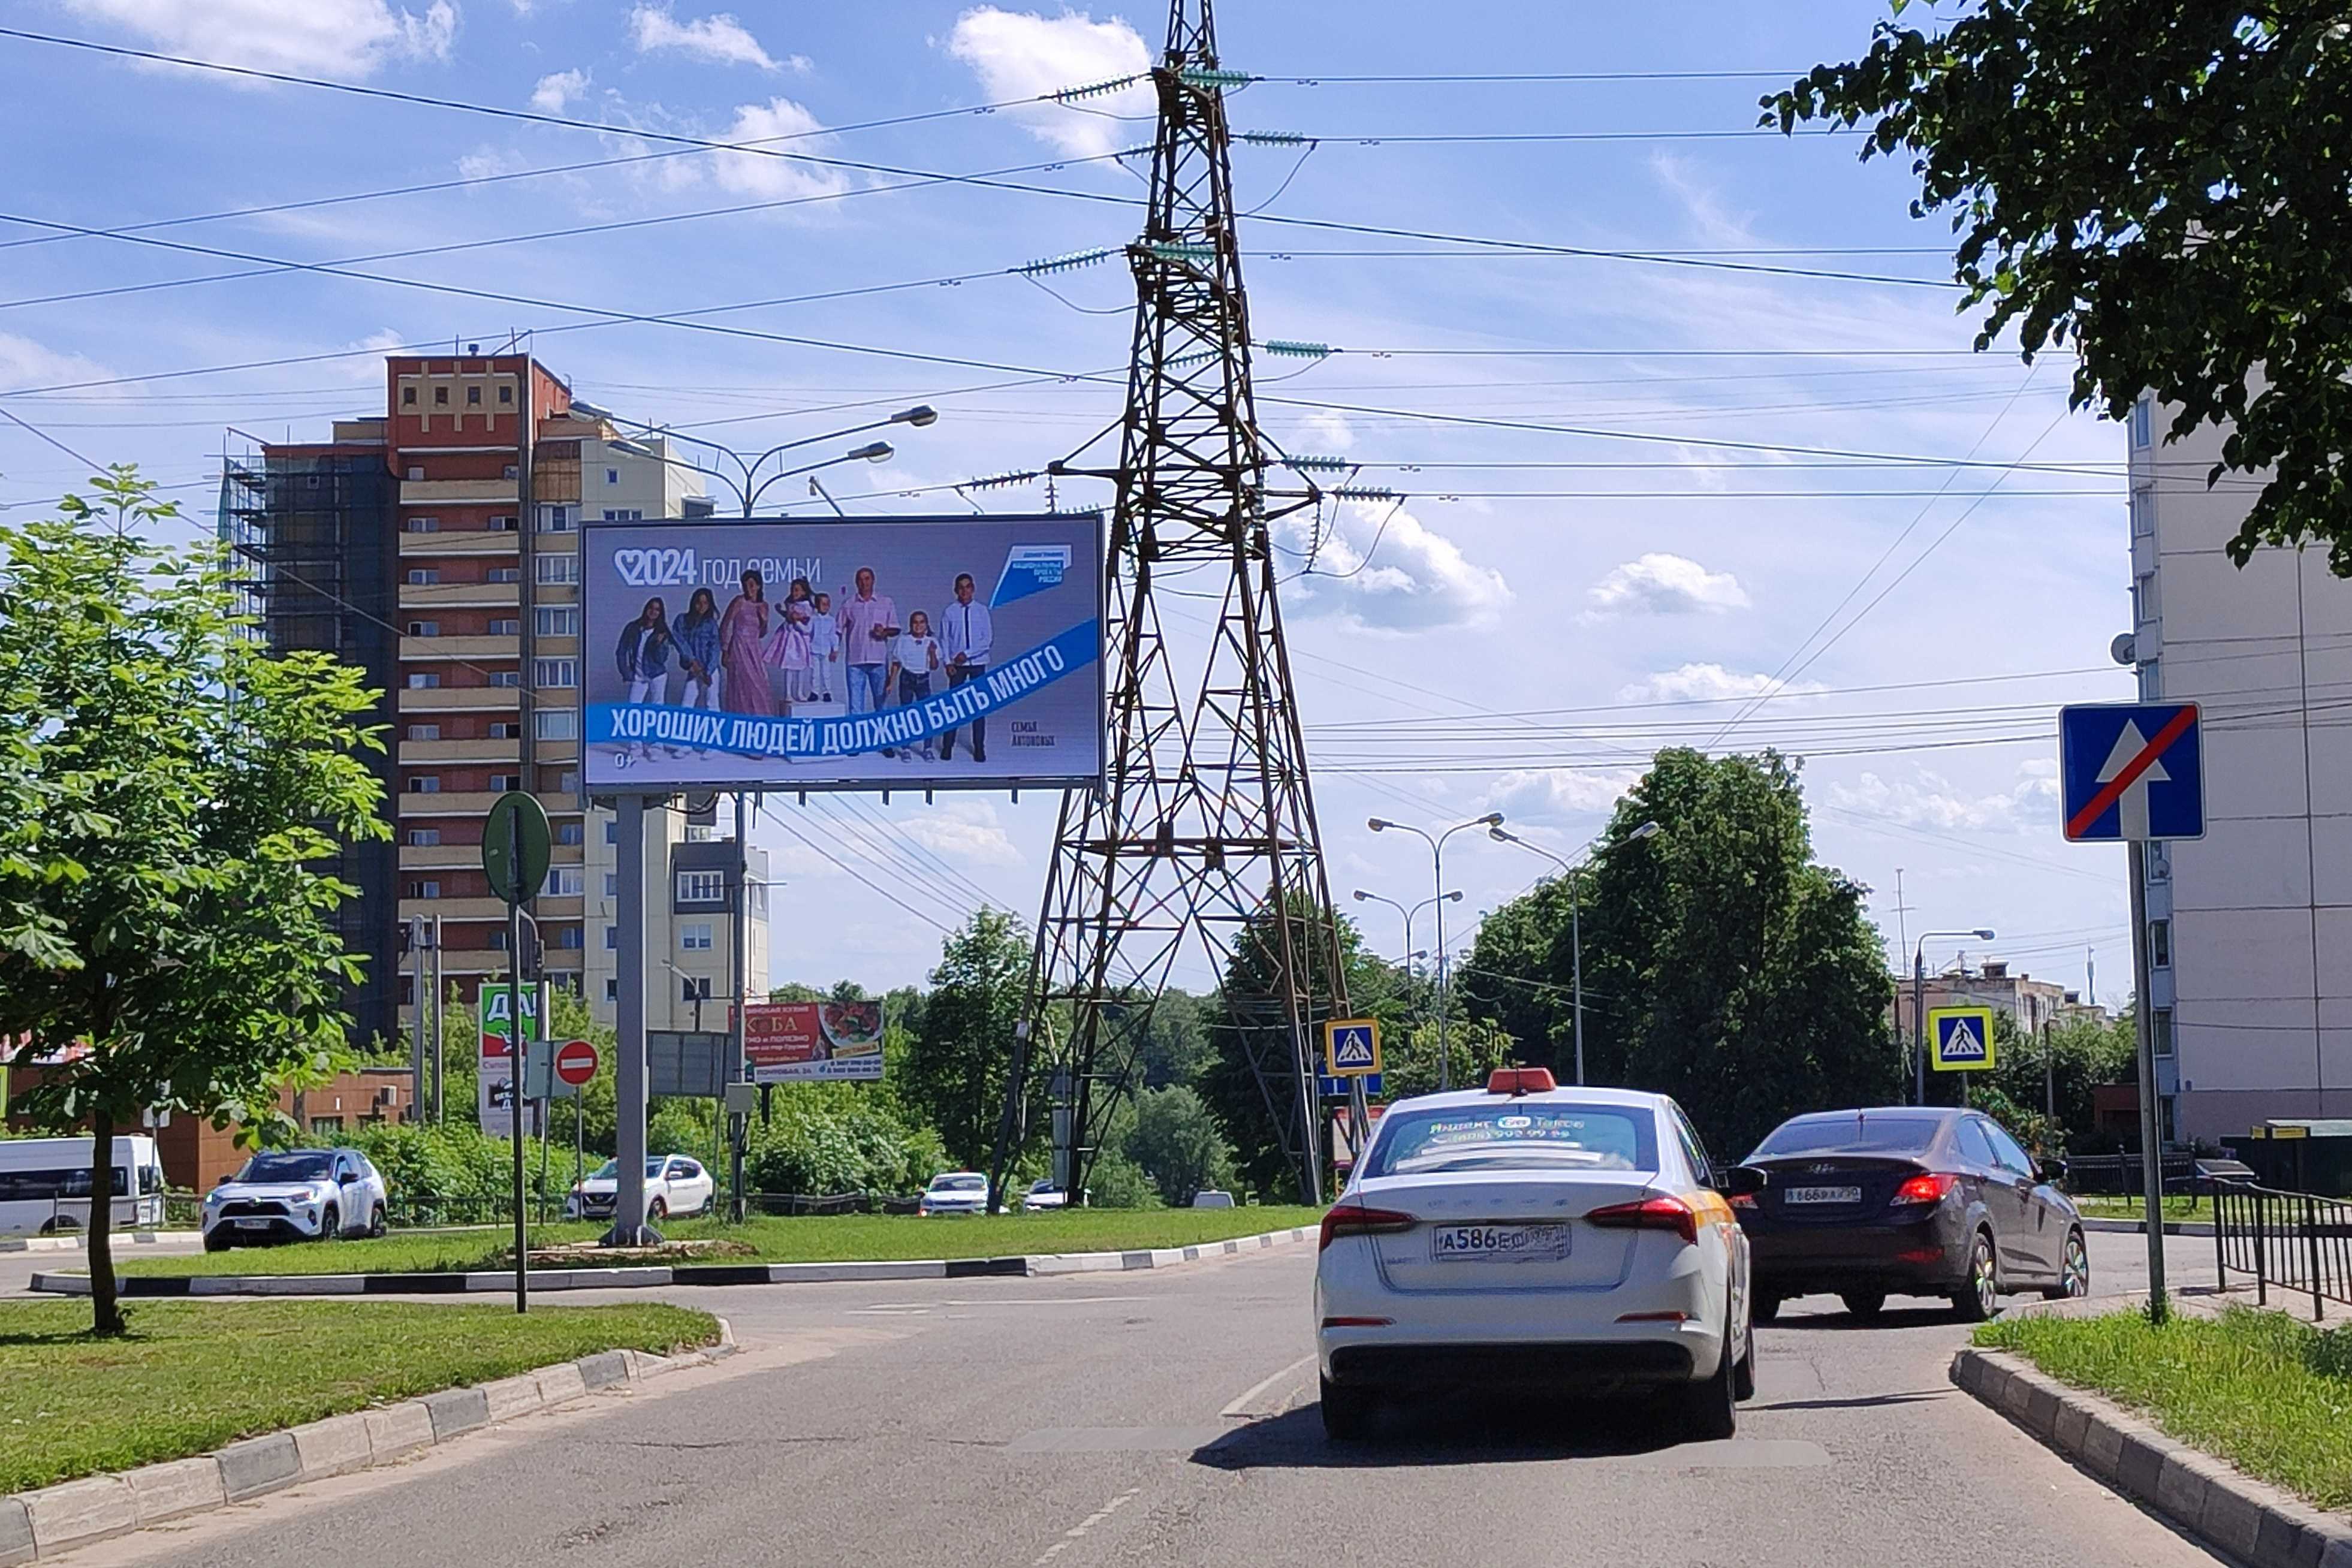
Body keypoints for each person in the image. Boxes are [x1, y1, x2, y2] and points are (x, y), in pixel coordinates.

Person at [836, 566, 899, 746]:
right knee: (856, 706)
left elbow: (895, 628)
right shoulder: (849, 604)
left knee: (882, 704)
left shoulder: (886, 602)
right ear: (856, 582)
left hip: (878, 660)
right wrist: (833, 650)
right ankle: (856, 742)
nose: (864, 582)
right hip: (855, 661)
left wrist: (884, 632)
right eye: (861, 579)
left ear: (873, 580)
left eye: (867, 578)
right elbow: (838, 629)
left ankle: (884, 742)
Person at [938, 571, 993, 763]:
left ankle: (979, 747)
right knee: (952, 707)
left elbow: (987, 640)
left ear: (973, 589)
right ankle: (947, 747)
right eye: (961, 587)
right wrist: (947, 662)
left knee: (979, 707)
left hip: (977, 664)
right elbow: (944, 639)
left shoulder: (982, 611)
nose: (964, 590)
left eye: (968, 586)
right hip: (956, 667)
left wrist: (967, 654)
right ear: (956, 590)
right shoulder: (950, 611)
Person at [613, 596, 673, 759]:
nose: (653, 612)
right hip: (638, 675)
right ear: (646, 609)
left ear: (661, 613)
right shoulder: (633, 628)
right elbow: (621, 651)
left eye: (657, 610)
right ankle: (636, 747)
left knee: (657, 710)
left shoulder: (662, 632)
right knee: (633, 709)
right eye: (651, 608)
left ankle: (656, 746)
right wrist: (626, 673)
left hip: (657, 675)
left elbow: (662, 659)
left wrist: (660, 644)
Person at [717, 569, 775, 717]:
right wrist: (725, 650)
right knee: (742, 684)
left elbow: (762, 633)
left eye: (751, 585)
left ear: (758, 586)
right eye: (745, 585)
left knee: (759, 685)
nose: (748, 589)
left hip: (754, 648)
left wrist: (764, 620)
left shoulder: (764, 606)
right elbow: (726, 624)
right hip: (739, 646)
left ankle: (760, 722)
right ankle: (741, 720)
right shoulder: (739, 601)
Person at [887, 610, 942, 763]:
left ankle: (928, 748)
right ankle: (905, 748)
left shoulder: (932, 641)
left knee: (926, 714)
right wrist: (891, 682)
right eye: (915, 622)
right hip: (907, 678)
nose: (918, 625)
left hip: (923, 679)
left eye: (922, 622)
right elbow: (896, 663)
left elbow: (934, 666)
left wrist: (932, 652)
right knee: (906, 714)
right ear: (911, 624)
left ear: (926, 625)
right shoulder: (904, 640)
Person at [673, 587, 722, 714]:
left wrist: (708, 671)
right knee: (687, 703)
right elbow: (681, 642)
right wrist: (693, 662)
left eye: (706, 603)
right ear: (693, 603)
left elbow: (715, 648)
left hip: (709, 669)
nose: (702, 606)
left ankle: (715, 730)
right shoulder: (682, 620)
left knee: (712, 703)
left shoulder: (711, 624)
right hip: (694, 668)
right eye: (699, 603)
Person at [769, 576, 815, 707]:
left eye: (797, 590)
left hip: (800, 641)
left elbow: (807, 628)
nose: (794, 593)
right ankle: (788, 693)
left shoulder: (807, 608)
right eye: (793, 590)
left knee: (801, 668)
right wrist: (784, 614)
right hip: (791, 641)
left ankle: (800, 692)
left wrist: (797, 622)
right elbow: (788, 618)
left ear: (804, 592)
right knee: (789, 667)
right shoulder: (791, 606)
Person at [807, 590, 841, 702]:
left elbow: (833, 635)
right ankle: (814, 692)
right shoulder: (813, 619)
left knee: (826, 673)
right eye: (823, 604)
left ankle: (827, 692)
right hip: (814, 649)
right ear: (817, 605)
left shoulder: (831, 620)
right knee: (815, 673)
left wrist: (835, 649)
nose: (826, 607)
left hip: (826, 650)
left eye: (828, 604)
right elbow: (809, 632)